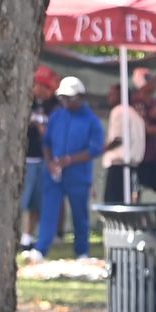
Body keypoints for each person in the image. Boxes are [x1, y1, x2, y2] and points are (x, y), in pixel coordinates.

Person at [33, 76, 105, 259]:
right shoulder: (57, 116)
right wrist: (50, 162)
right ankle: (40, 249)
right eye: (62, 98)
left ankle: (82, 252)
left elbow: (95, 149)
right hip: (54, 173)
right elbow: (46, 142)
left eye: (69, 98)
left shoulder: (91, 120)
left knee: (80, 215)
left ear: (80, 96)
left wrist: (69, 160)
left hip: (78, 174)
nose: (65, 101)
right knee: (48, 211)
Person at [21, 65, 57, 247]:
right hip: (26, 158)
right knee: (24, 199)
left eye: (48, 88)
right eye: (42, 86)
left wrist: (44, 130)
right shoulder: (26, 102)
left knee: (39, 201)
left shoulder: (54, 106)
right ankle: (21, 234)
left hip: (44, 159)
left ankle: (31, 236)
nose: (45, 91)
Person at [101, 83, 146, 206]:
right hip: (133, 167)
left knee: (113, 205)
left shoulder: (118, 111)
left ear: (121, 95)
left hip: (118, 167)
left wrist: (103, 148)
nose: (109, 97)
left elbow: (118, 138)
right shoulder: (136, 114)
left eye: (112, 94)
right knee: (129, 206)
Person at [129, 65, 156, 199]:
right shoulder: (135, 103)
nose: (154, 82)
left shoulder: (155, 102)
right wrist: (154, 127)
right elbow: (144, 128)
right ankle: (133, 213)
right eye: (149, 79)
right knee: (136, 190)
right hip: (140, 154)